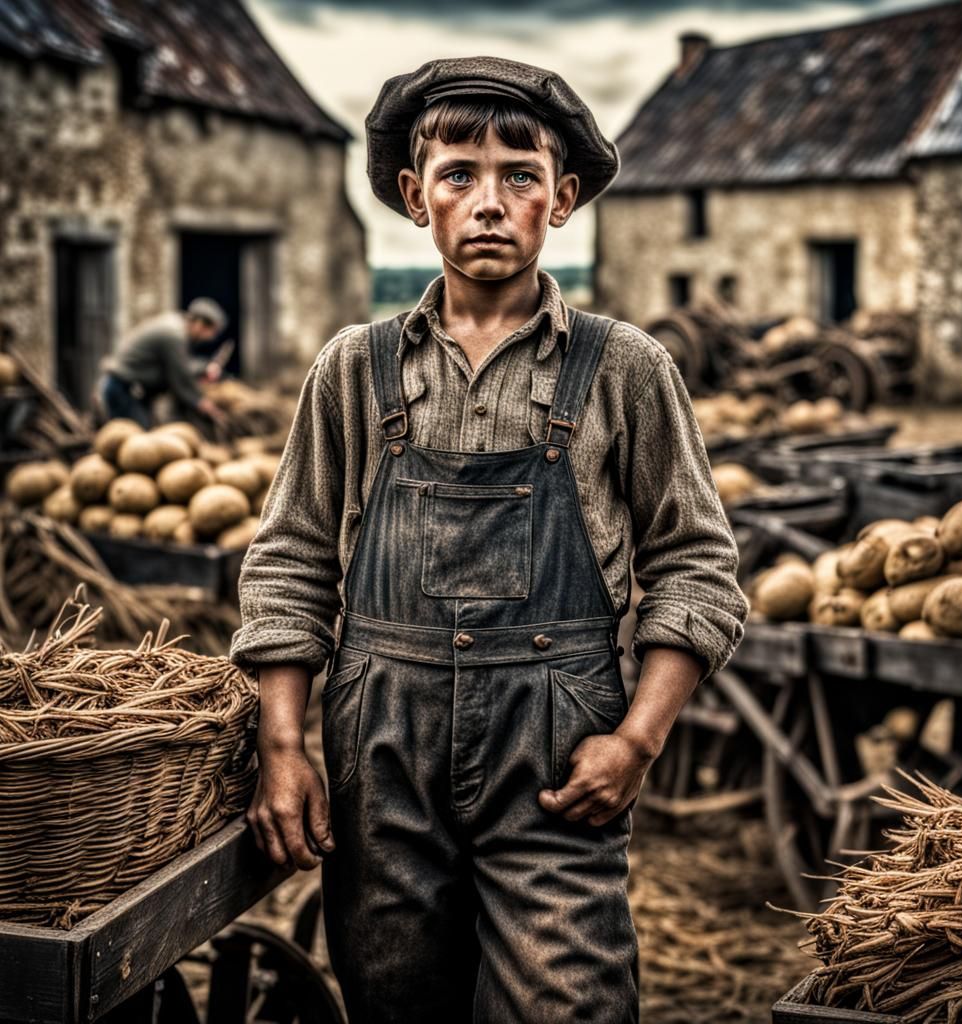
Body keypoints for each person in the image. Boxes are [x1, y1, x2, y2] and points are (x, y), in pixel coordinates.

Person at [229, 56, 748, 1023]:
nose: (489, 201)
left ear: (565, 198)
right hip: (382, 754)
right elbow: (291, 561)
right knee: (396, 996)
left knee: (570, 1000)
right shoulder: (354, 369)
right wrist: (284, 744)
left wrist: (638, 739)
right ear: (413, 196)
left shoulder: (624, 367)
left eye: (521, 175)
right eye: (459, 173)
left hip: (553, 757)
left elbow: (696, 565)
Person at [98, 297, 228, 427]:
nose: (212, 337)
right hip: (123, 389)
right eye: (212, 331)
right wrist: (202, 403)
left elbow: (180, 364)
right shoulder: (174, 335)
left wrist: (204, 368)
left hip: (128, 388)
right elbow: (180, 376)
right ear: (199, 324)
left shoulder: (176, 326)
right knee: (139, 436)